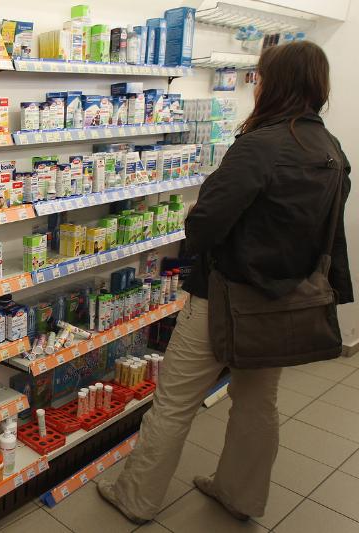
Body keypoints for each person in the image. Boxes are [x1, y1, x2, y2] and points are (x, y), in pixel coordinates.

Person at [98, 40, 353, 524]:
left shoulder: (260, 144)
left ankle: (137, 497)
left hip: (225, 298)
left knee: (174, 402)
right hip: (282, 303)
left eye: (260, 76)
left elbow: (205, 225)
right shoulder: (329, 149)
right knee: (258, 403)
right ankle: (240, 494)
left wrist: (196, 215)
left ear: (272, 83)